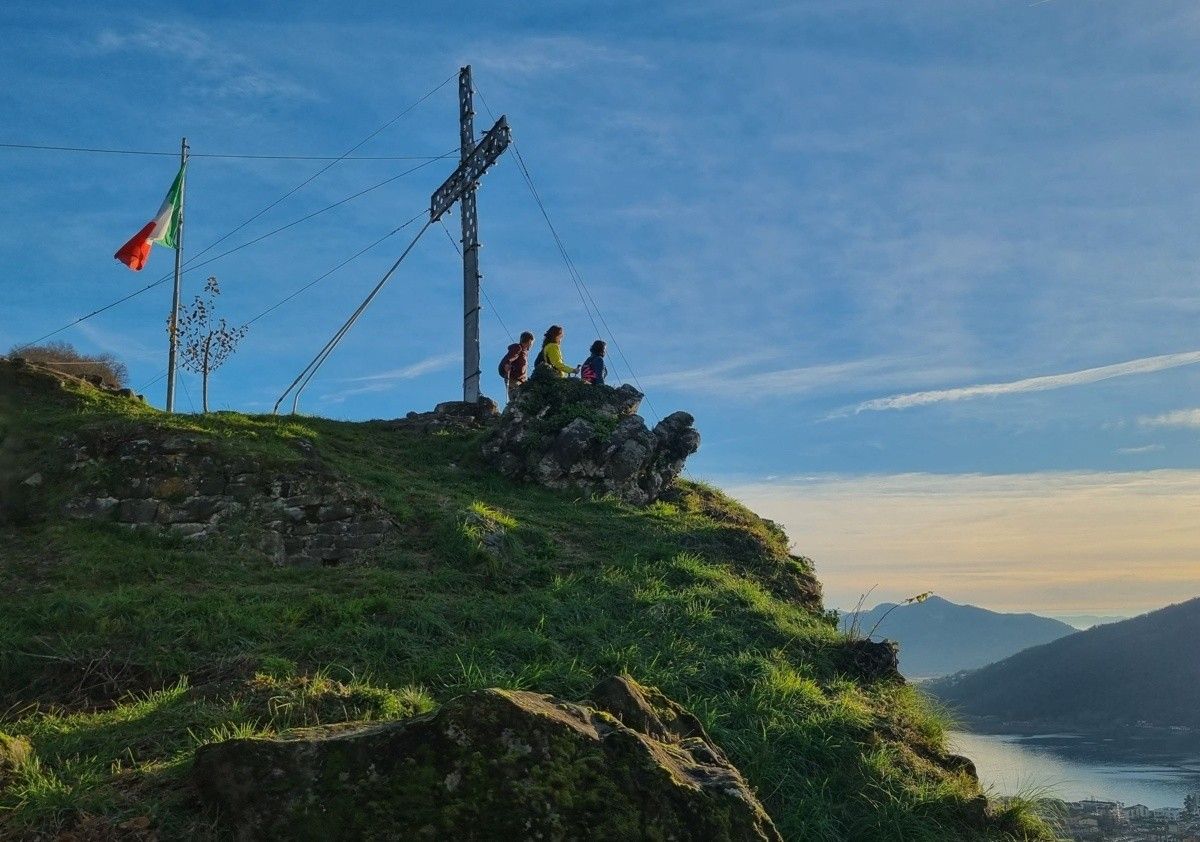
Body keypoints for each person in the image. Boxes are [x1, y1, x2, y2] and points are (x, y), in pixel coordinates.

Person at [499, 331, 535, 401]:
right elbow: (511, 357)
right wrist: (507, 364)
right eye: (532, 343)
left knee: (521, 400)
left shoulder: (523, 351)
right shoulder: (518, 348)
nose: (531, 345)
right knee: (518, 400)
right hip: (514, 380)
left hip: (520, 381)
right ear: (529, 342)